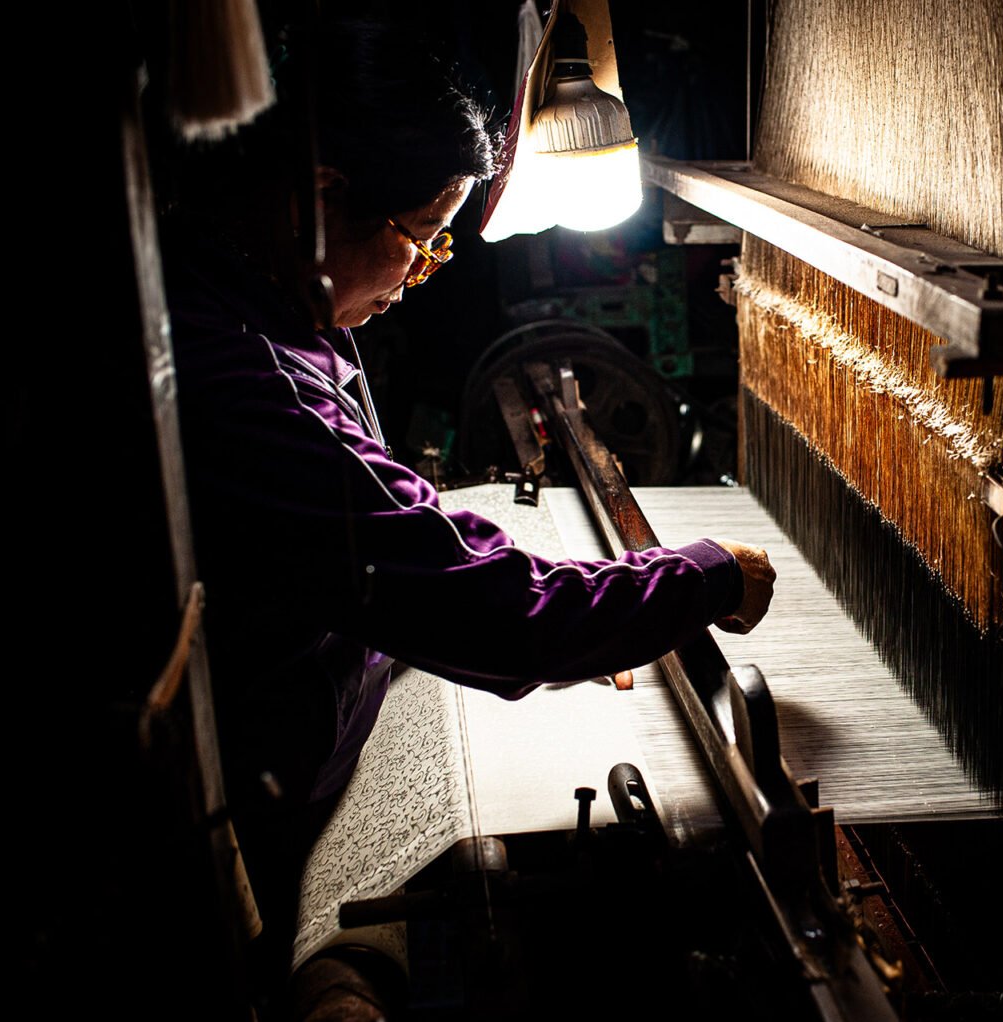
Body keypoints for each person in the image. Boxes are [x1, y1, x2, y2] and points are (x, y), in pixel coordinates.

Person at [161, 16, 775, 1015]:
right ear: (320, 202)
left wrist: (578, 603)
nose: (416, 275)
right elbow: (477, 604)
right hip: (261, 834)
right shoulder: (240, 380)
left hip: (312, 763)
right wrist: (693, 578)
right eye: (415, 238)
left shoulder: (278, 310)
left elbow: (388, 531)